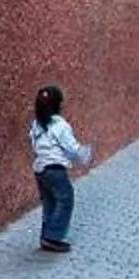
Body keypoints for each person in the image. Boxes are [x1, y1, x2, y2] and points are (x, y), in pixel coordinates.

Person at [28, 84, 93, 253]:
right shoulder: (60, 125)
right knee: (65, 200)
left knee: (50, 202)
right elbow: (70, 148)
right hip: (55, 169)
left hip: (40, 170)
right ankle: (53, 237)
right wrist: (83, 154)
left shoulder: (37, 124)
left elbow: (34, 145)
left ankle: (46, 236)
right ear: (58, 104)